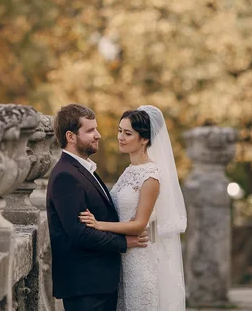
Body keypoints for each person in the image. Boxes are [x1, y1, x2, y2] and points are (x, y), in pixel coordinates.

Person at [79, 106, 187, 310]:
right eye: (120, 130)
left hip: (140, 263)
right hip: (121, 259)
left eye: (128, 133)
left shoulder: (151, 176)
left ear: (144, 139)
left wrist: (98, 225)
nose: (120, 137)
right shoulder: (130, 171)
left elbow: (139, 225)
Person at [46, 103, 149, 311]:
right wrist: (123, 242)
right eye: (90, 130)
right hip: (85, 286)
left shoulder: (83, 169)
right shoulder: (66, 175)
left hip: (98, 284)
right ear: (70, 136)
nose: (98, 135)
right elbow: (79, 233)